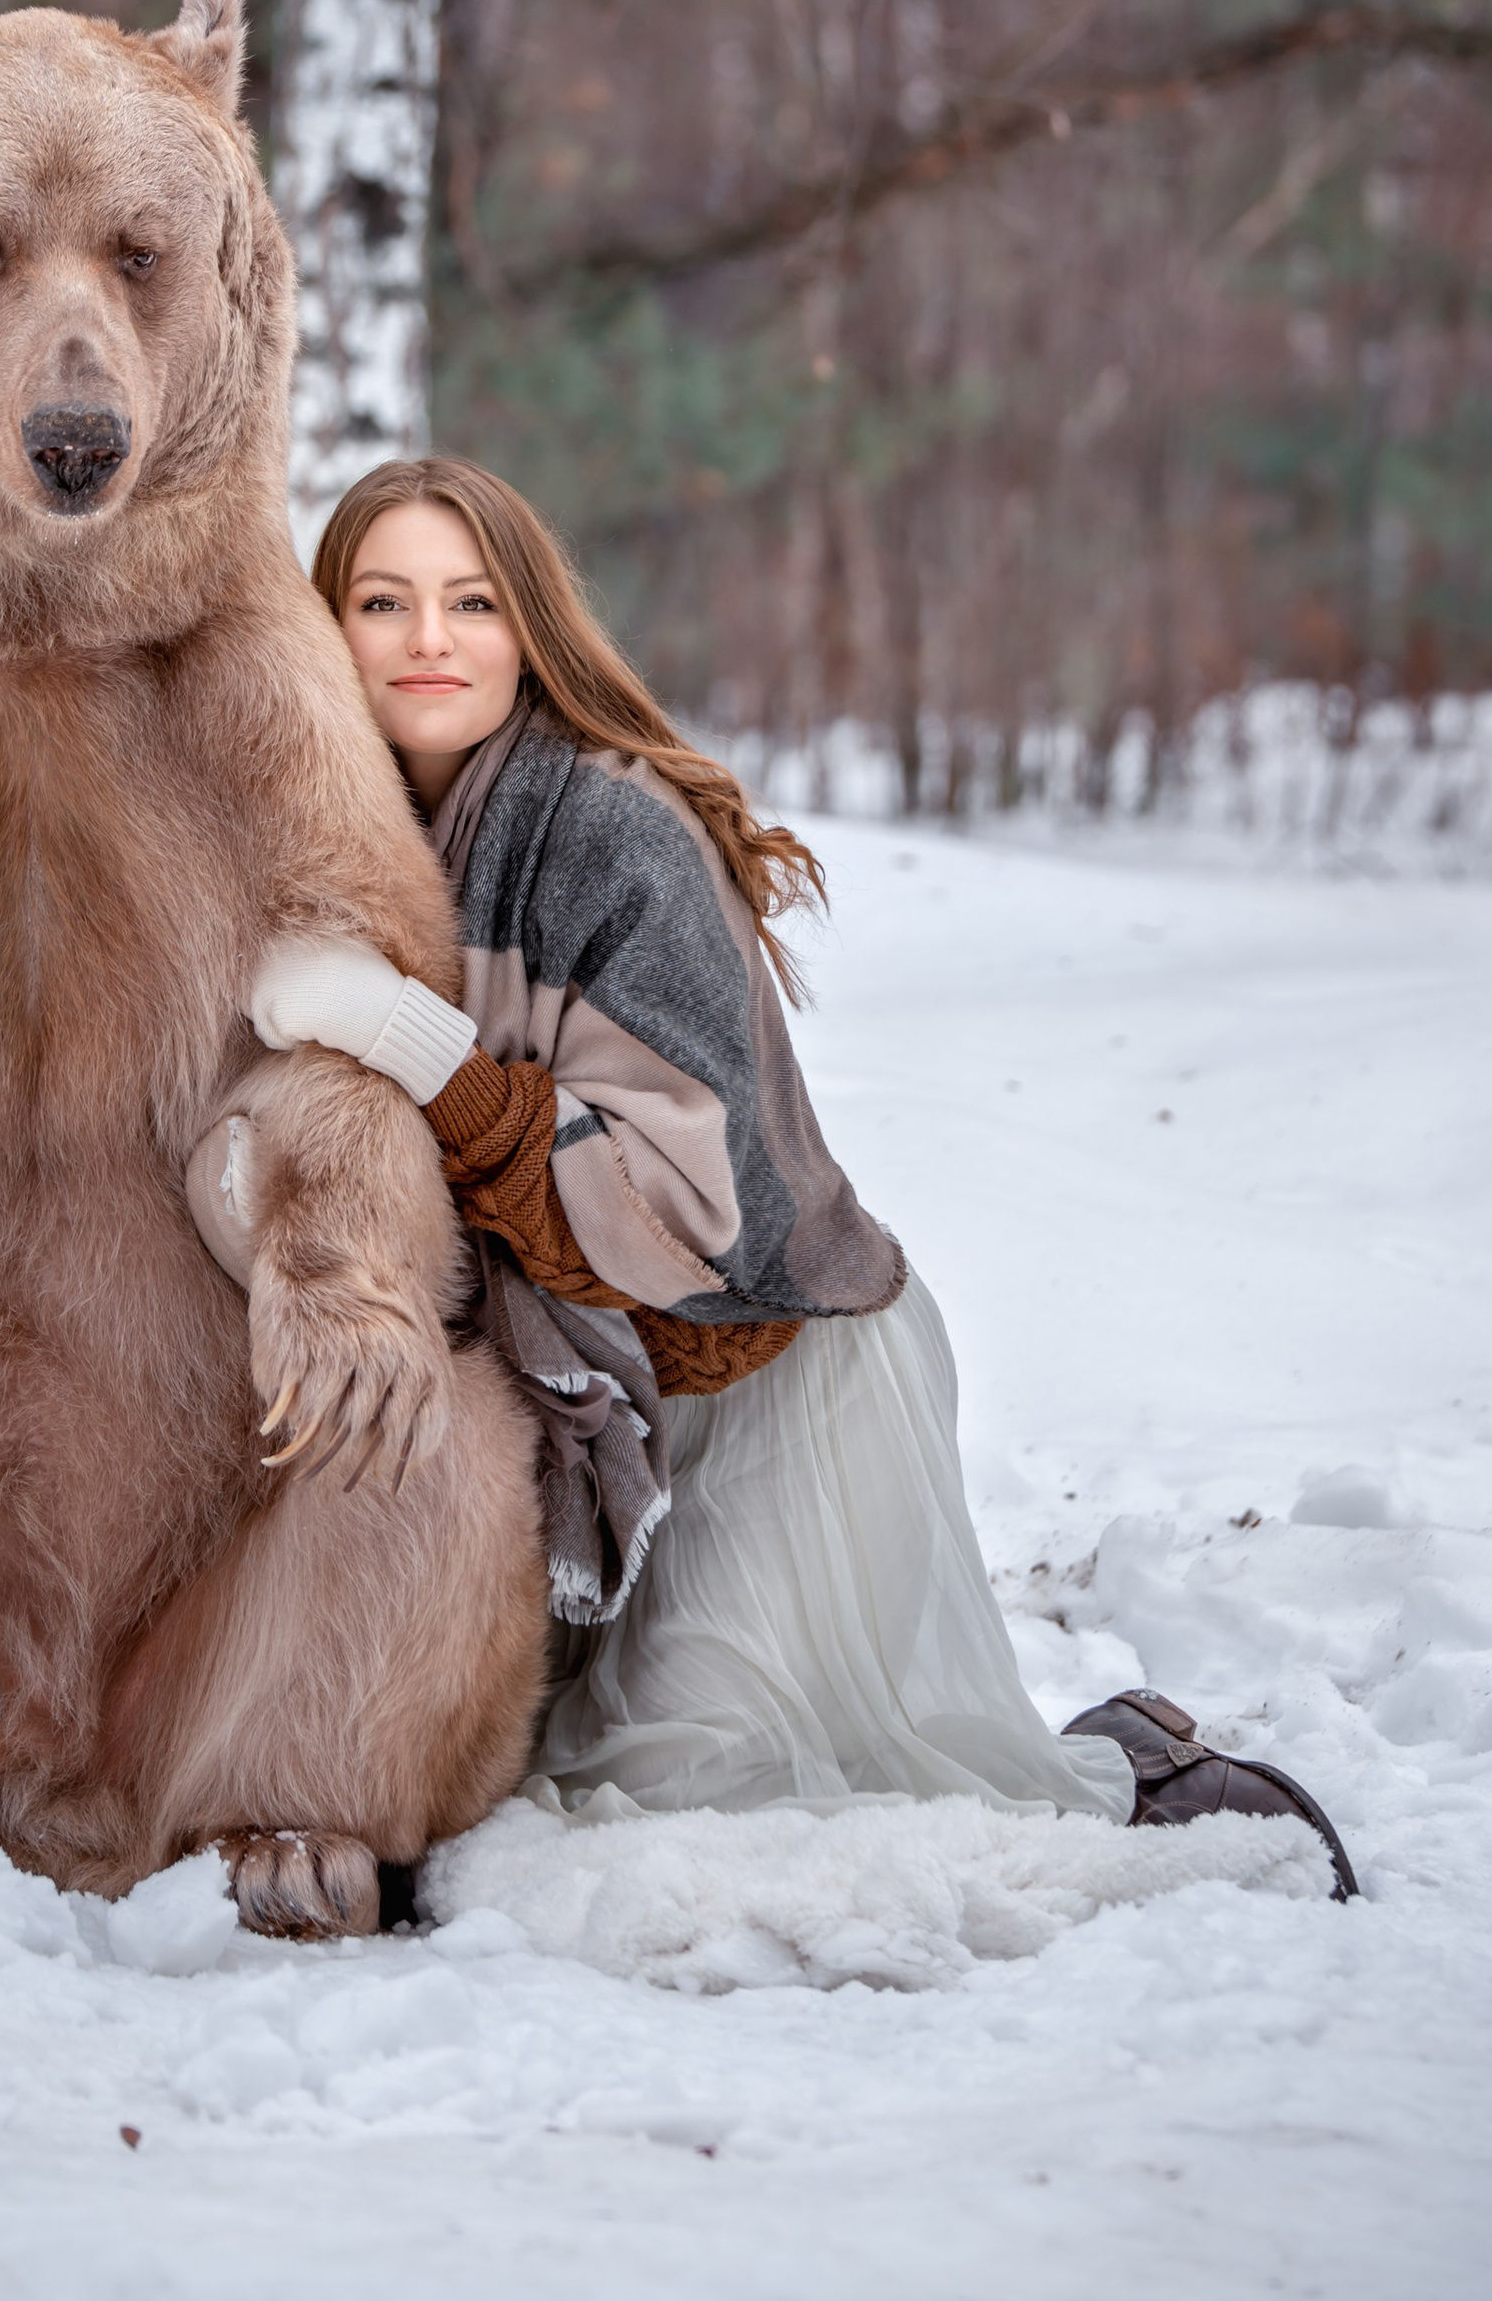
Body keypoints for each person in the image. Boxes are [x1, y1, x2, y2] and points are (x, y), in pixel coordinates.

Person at [242, 455, 1358, 1891]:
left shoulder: (610, 832)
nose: (428, 641)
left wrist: (410, 1042)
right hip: (591, 1403)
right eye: (380, 602)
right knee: (484, 1782)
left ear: (531, 626)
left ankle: (1135, 1762)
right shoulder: (346, 837)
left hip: (769, 1382)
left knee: (701, 1809)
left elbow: (688, 1214)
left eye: (471, 601)